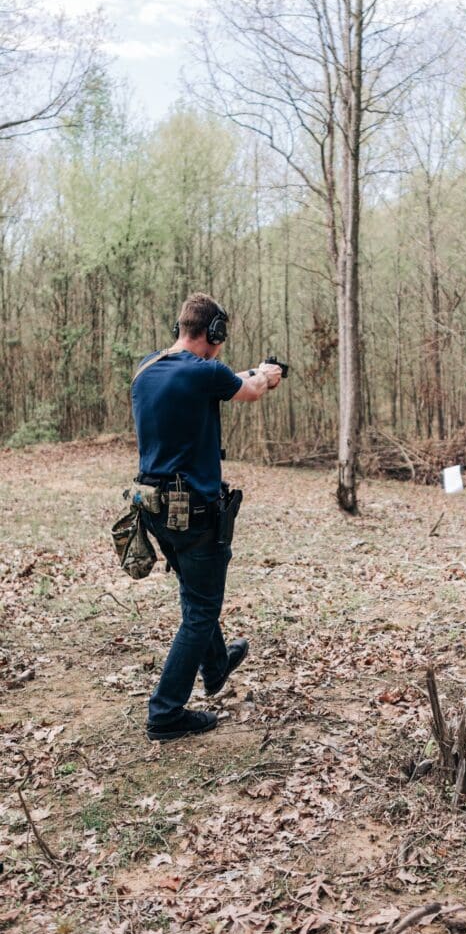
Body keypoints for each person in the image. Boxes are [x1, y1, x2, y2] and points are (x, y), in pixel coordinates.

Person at [131, 292, 282, 742]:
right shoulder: (205, 372)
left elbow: (214, 380)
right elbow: (249, 390)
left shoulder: (147, 367)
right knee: (201, 610)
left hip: (155, 508)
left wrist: (249, 373)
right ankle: (166, 712)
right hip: (193, 511)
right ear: (213, 334)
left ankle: (215, 667)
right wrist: (266, 375)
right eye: (220, 337)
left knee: (195, 593)